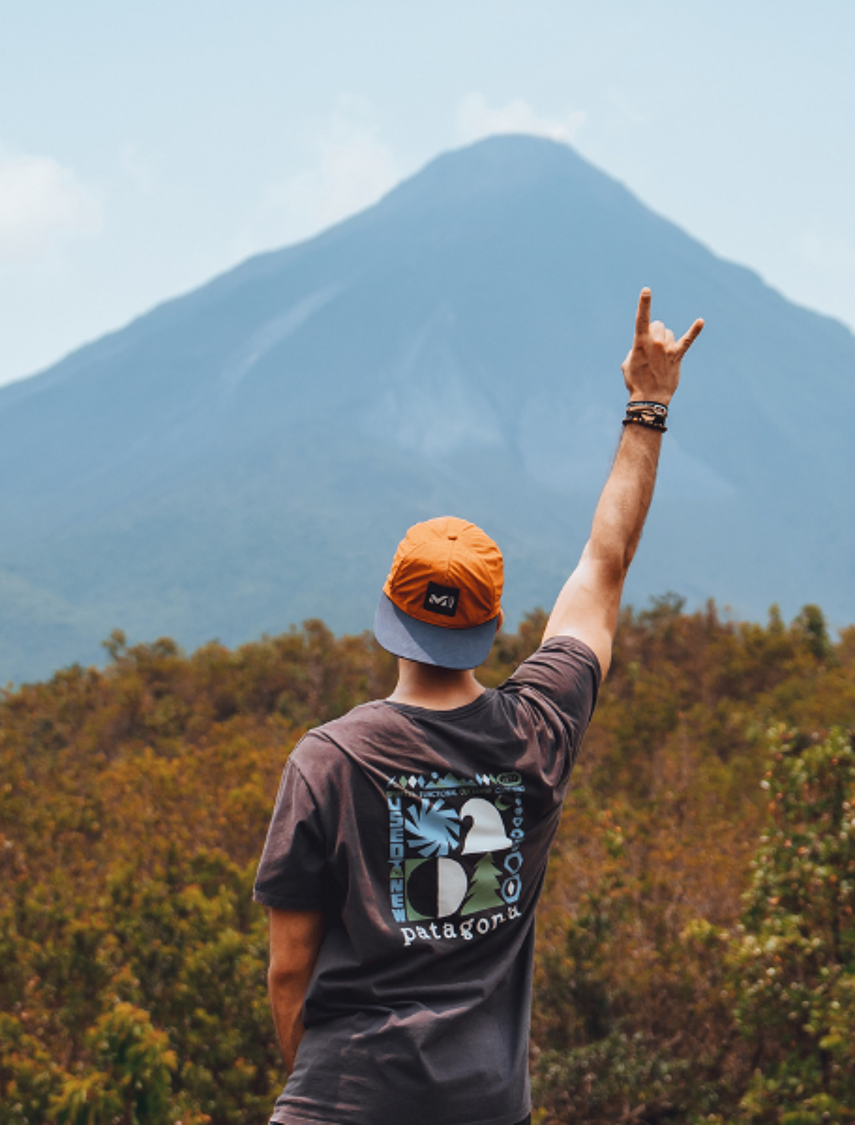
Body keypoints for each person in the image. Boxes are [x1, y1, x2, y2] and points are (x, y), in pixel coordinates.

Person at [253, 288, 704, 1125]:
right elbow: (604, 569)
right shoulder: (538, 729)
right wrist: (648, 406)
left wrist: (323, 1091)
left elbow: (290, 970)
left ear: (388, 612)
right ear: (493, 629)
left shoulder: (326, 758)